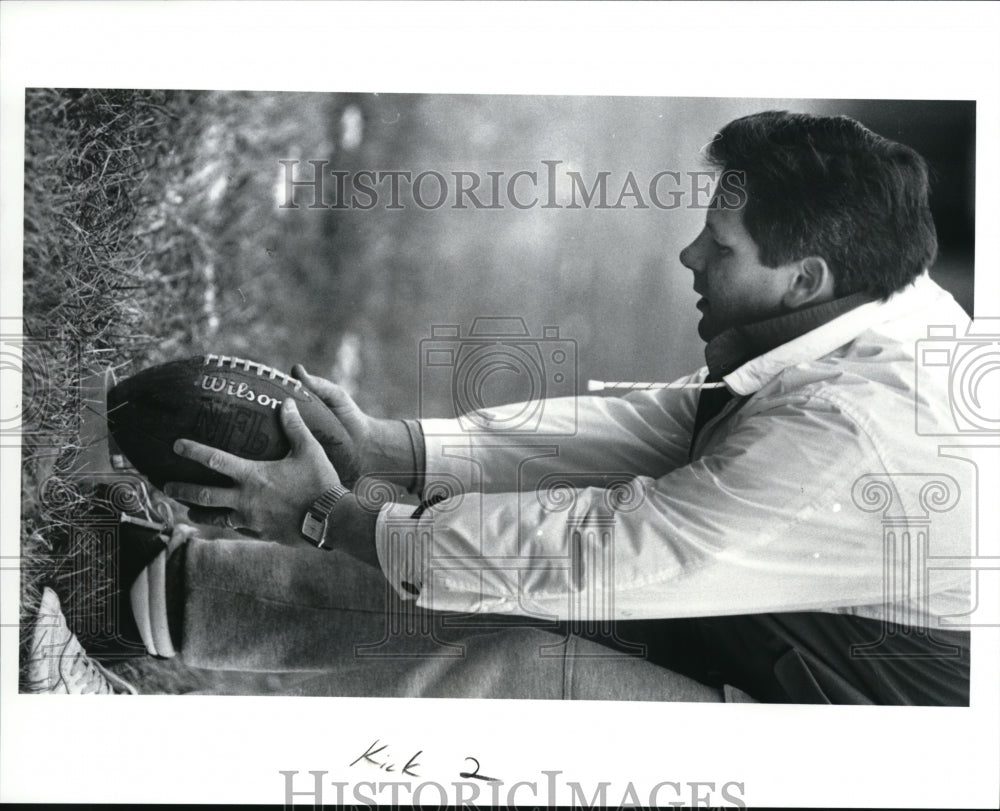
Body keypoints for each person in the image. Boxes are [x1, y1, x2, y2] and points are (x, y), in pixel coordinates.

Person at [28, 110, 972, 703]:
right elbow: (653, 432)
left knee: (522, 665)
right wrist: (389, 450)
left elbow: (600, 555)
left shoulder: (856, 435)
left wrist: (328, 517)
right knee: (460, 560)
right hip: (800, 628)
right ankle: (141, 594)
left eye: (720, 246)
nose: (689, 256)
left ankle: (96, 719)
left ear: (805, 276)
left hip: (852, 736)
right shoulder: (873, 314)